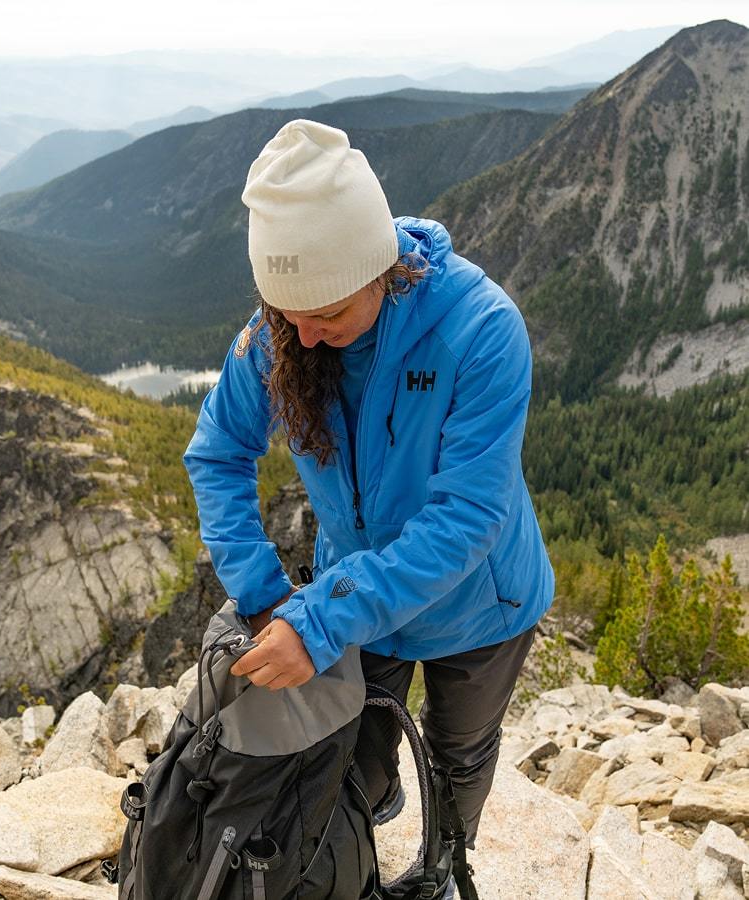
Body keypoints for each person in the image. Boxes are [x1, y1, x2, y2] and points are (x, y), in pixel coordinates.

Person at [182, 118, 556, 893]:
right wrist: (263, 598)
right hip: (357, 598)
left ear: (379, 269)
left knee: (459, 755)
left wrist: (317, 621)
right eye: (289, 315)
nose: (308, 339)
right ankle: (356, 851)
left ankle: (442, 867)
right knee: (356, 756)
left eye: (327, 314)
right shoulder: (279, 334)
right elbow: (217, 453)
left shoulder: (482, 331)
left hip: (480, 609)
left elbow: (466, 520)